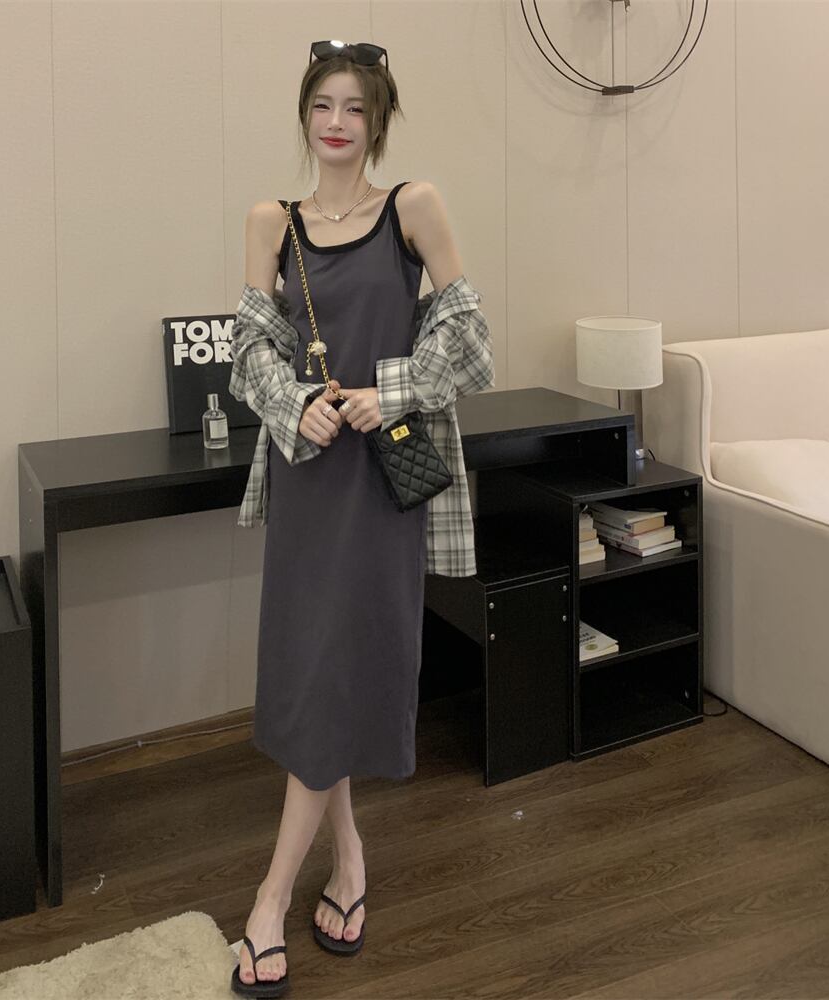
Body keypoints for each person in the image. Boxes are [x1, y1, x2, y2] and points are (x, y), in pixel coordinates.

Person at [227, 39, 494, 998]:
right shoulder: (272, 222)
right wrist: (293, 401)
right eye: (322, 105)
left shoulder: (413, 207)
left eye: (354, 107)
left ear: (377, 120)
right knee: (317, 671)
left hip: (382, 477)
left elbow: (470, 334)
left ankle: (269, 901)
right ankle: (347, 862)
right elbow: (250, 349)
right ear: (304, 114)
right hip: (309, 474)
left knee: (336, 667)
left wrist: (399, 389)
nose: (336, 123)